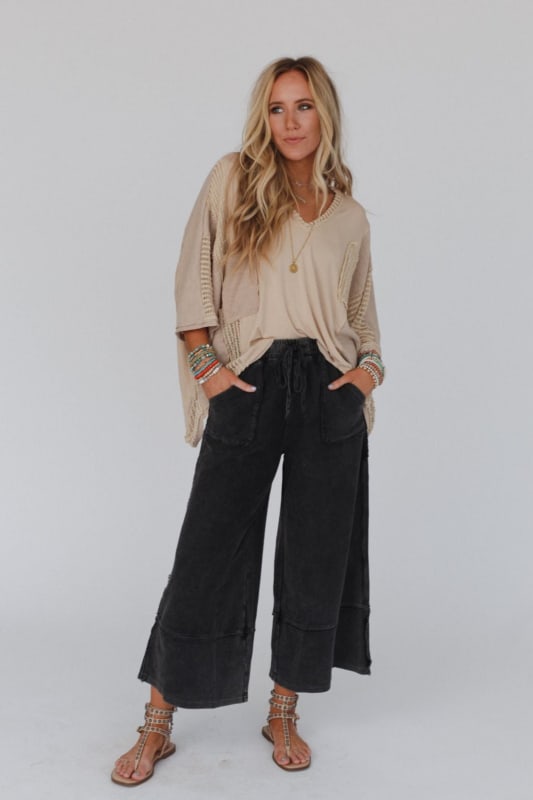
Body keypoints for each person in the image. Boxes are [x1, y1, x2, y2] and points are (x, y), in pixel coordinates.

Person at [111, 55, 385, 785]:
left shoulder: (350, 216)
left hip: (327, 389)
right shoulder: (232, 179)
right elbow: (193, 278)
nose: (290, 121)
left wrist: (364, 374)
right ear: (263, 117)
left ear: (324, 114)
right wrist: (209, 371)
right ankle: (157, 723)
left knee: (315, 557)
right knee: (207, 554)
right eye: (276, 108)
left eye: (303, 106)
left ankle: (283, 711)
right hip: (248, 380)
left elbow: (362, 315)